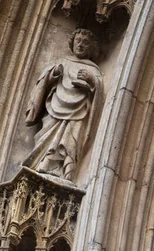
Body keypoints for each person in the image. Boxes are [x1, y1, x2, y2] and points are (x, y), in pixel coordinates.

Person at [23, 28, 103, 181]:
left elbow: (98, 91)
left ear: (92, 48)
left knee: (71, 139)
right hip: (55, 108)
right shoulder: (62, 62)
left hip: (78, 112)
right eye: (78, 41)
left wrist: (92, 80)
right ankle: (44, 163)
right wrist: (54, 74)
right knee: (48, 135)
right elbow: (43, 84)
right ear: (72, 43)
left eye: (85, 43)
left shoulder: (93, 69)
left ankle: (67, 173)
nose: (80, 45)